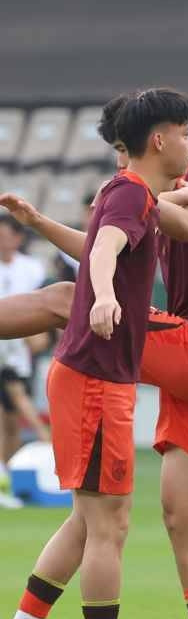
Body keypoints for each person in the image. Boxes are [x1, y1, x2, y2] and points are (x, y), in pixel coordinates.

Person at [6, 92, 188, 619]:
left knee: (68, 300)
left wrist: (161, 197)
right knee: (174, 517)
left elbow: (182, 224)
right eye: (184, 130)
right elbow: (109, 241)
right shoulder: (140, 194)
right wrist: (44, 224)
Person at [0, 212, 50, 506]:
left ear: (18, 238)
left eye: (7, 235)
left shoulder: (31, 269)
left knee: (11, 421)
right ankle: (49, 443)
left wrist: (38, 338)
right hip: (4, 352)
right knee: (15, 402)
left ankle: (9, 477)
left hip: (20, 352)